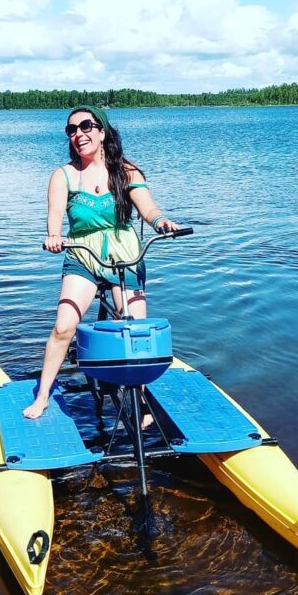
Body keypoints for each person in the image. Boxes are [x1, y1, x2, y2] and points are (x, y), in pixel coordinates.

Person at [23, 105, 180, 419]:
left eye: (86, 126)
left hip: (125, 256)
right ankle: (42, 395)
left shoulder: (127, 171)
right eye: (72, 130)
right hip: (83, 255)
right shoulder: (63, 175)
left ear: (102, 131)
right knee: (64, 326)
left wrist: (162, 222)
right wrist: (54, 236)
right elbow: (54, 215)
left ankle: (141, 400)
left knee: (135, 330)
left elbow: (148, 208)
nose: (79, 134)